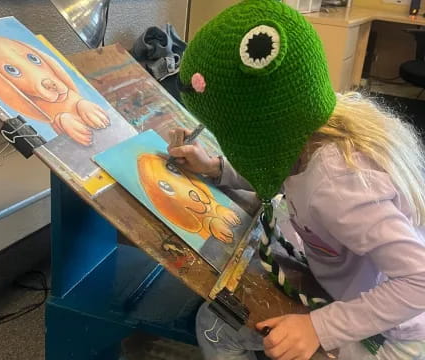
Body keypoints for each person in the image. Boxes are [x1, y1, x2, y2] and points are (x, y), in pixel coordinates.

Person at [167, 0, 425, 359]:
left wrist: (319, 328)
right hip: (350, 291)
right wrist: (216, 168)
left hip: (393, 332)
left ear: (260, 129)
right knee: (221, 312)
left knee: (215, 328)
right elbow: (277, 168)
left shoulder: (336, 183)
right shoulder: (310, 127)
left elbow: (419, 281)